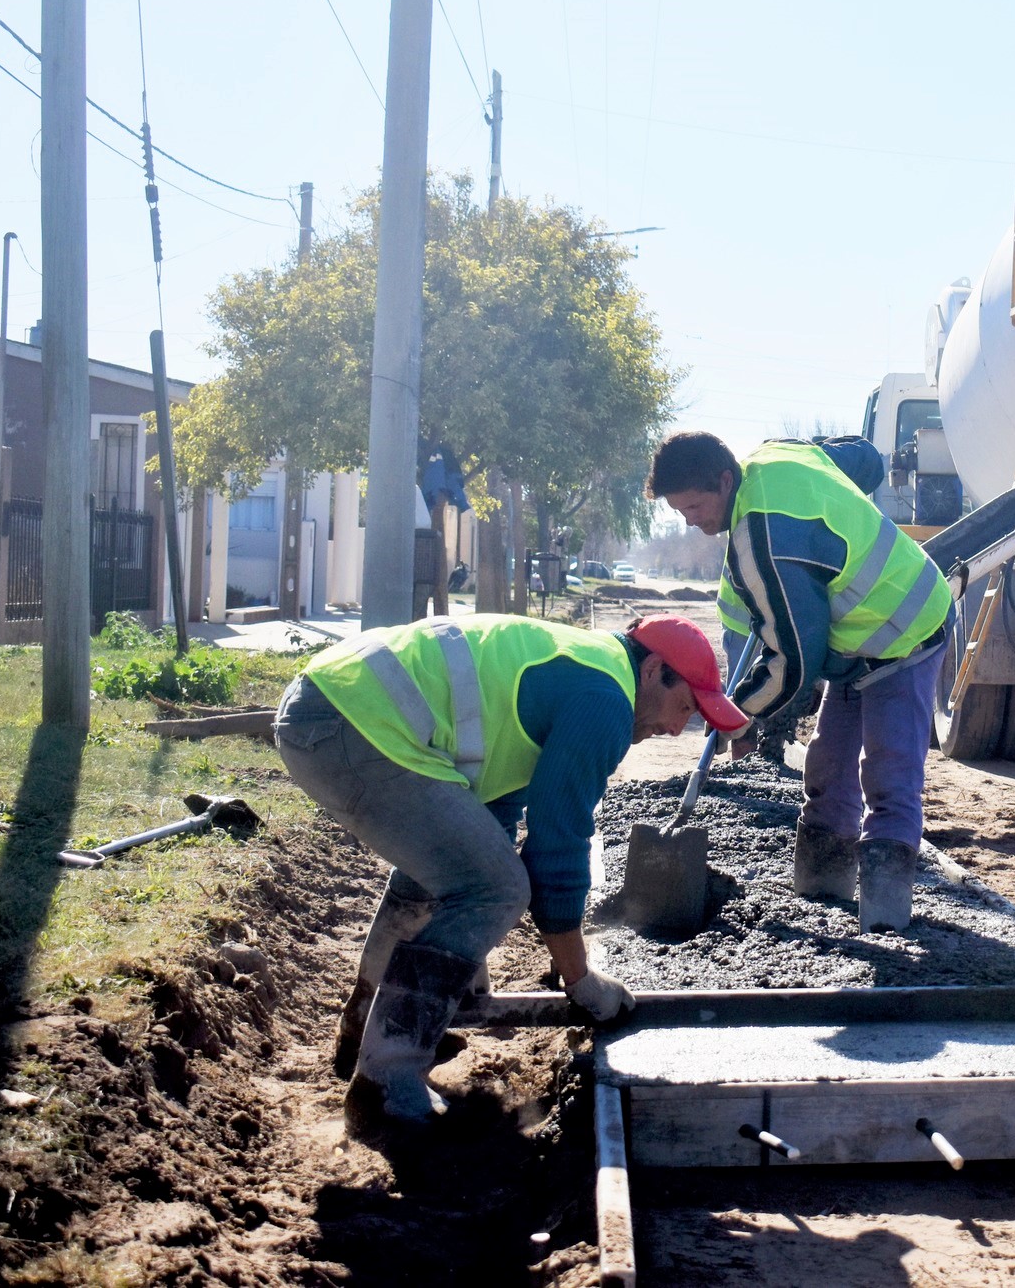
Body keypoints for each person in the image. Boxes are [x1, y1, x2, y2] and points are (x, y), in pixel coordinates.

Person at [273, 612, 743, 1132]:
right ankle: (386, 1083)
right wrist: (579, 978)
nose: (677, 729)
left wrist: (463, 975)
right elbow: (558, 845)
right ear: (654, 669)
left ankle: (367, 1028)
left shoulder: (582, 666)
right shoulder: (605, 700)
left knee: (460, 874)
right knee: (496, 888)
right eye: (684, 708)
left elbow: (496, 817)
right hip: (352, 723)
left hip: (334, 705)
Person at [647, 431, 953, 932]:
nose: (693, 521)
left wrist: (738, 715)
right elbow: (862, 460)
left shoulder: (765, 537)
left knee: (889, 771)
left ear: (725, 481)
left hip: (907, 630)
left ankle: (885, 920)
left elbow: (795, 661)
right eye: (681, 513)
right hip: (854, 647)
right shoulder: (776, 455)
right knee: (828, 766)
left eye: (696, 506)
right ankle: (820, 890)